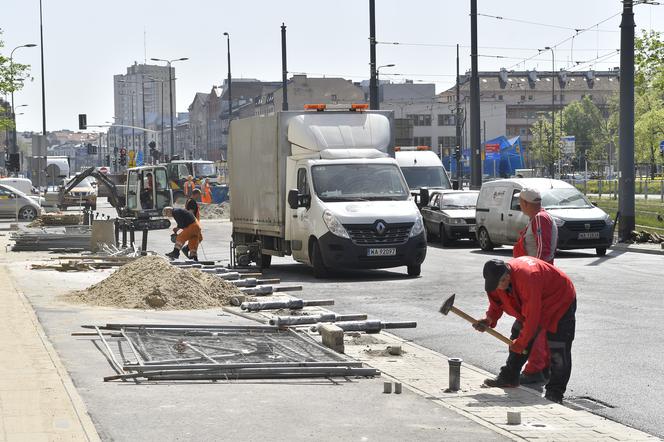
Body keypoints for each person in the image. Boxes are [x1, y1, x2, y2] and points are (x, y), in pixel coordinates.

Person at [474, 257, 576, 404]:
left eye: (499, 285)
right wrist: (489, 319)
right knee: (518, 332)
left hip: (559, 300)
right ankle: (509, 376)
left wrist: (521, 344)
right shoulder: (497, 281)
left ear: (507, 277)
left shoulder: (527, 278)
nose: (496, 289)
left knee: (558, 348)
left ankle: (555, 393)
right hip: (536, 299)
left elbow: (532, 318)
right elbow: (496, 302)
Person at [512, 187, 559, 384]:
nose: (519, 205)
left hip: (536, 281)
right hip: (537, 279)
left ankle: (535, 368)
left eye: (520, 201)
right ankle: (542, 366)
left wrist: (535, 278)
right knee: (539, 324)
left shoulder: (540, 219)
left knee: (535, 324)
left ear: (525, 203)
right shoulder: (540, 218)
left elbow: (543, 250)